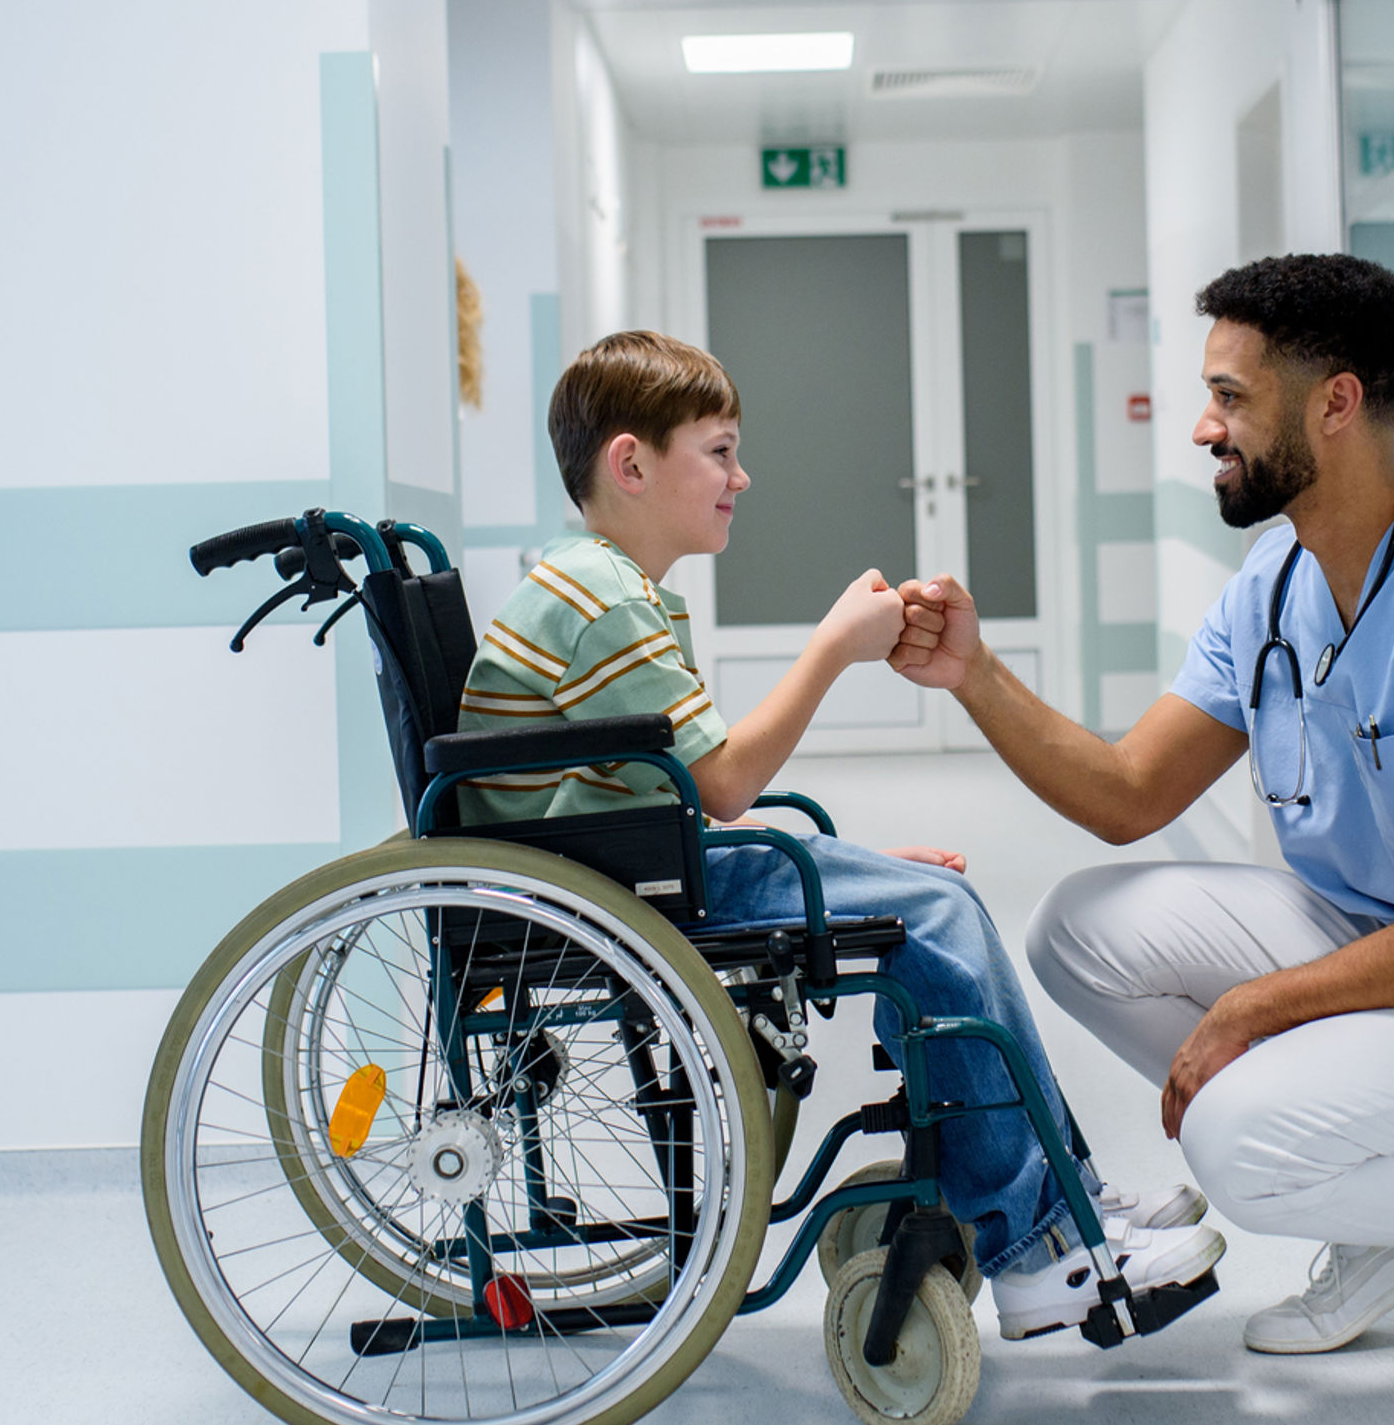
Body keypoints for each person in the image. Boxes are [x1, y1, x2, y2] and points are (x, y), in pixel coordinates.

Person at [889, 255, 1394, 1387]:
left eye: (1229, 397)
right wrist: (975, 674)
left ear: (1335, 403)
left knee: (1239, 1142)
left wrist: (1253, 1010)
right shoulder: (1276, 579)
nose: (1200, 427)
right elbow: (1130, 795)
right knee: (1077, 928)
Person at [459, 329, 1225, 1337]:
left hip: (622, 864)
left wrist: (847, 864)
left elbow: (673, 790)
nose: (742, 475)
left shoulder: (599, 582)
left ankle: (1055, 1198)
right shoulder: (600, 598)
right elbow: (726, 785)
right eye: (720, 450)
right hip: (600, 891)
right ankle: (1039, 1247)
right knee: (934, 918)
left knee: (929, 901)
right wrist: (832, 649)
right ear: (632, 463)